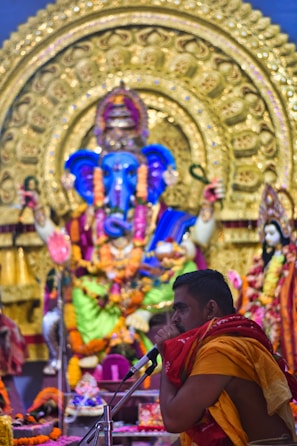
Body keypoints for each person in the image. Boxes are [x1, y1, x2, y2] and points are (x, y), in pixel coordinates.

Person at [154, 269, 297, 446]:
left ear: (210, 309)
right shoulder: (226, 341)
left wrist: (167, 353)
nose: (174, 319)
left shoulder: (221, 350)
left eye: (182, 309)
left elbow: (174, 420)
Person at [228, 183, 297, 374]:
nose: (267, 237)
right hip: (262, 306)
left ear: (283, 232)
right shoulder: (263, 260)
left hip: (282, 307)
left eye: (271, 233)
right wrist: (241, 284)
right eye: (265, 233)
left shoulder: (291, 257)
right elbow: (254, 285)